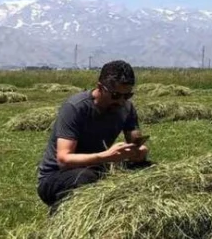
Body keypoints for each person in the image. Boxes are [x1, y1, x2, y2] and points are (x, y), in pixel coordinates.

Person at [36, 60, 151, 207]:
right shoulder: (75, 108)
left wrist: (139, 151)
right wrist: (107, 156)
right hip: (57, 177)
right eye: (116, 95)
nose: (122, 101)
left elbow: (135, 140)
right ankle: (66, 220)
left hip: (98, 167)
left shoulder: (126, 108)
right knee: (86, 178)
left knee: (150, 171)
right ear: (100, 88)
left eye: (127, 96)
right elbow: (64, 160)